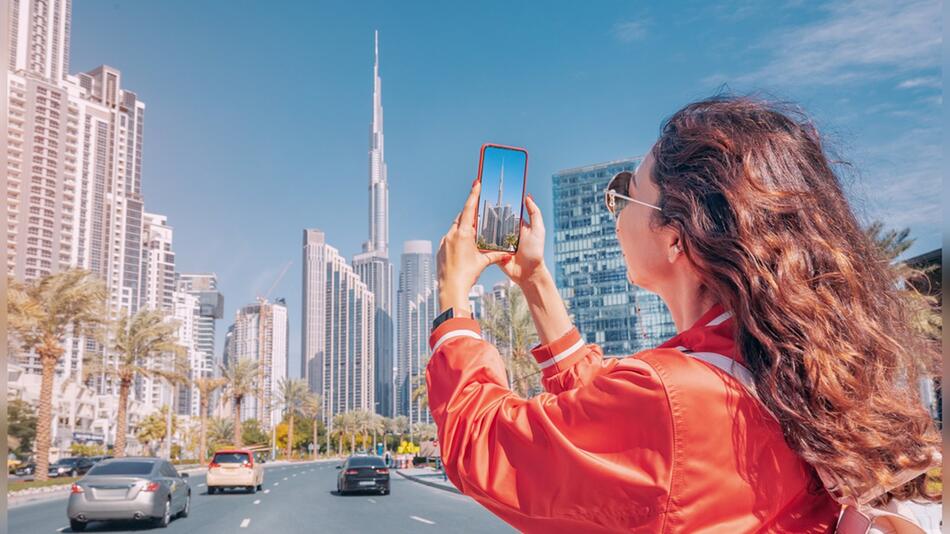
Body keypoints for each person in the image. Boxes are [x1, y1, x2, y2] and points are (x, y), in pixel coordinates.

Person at [426, 96, 942, 533]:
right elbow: (609, 408)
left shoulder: (676, 400)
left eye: (627, 192)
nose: (616, 207)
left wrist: (453, 296)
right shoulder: (775, 366)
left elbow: (487, 445)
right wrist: (536, 282)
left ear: (676, 237)